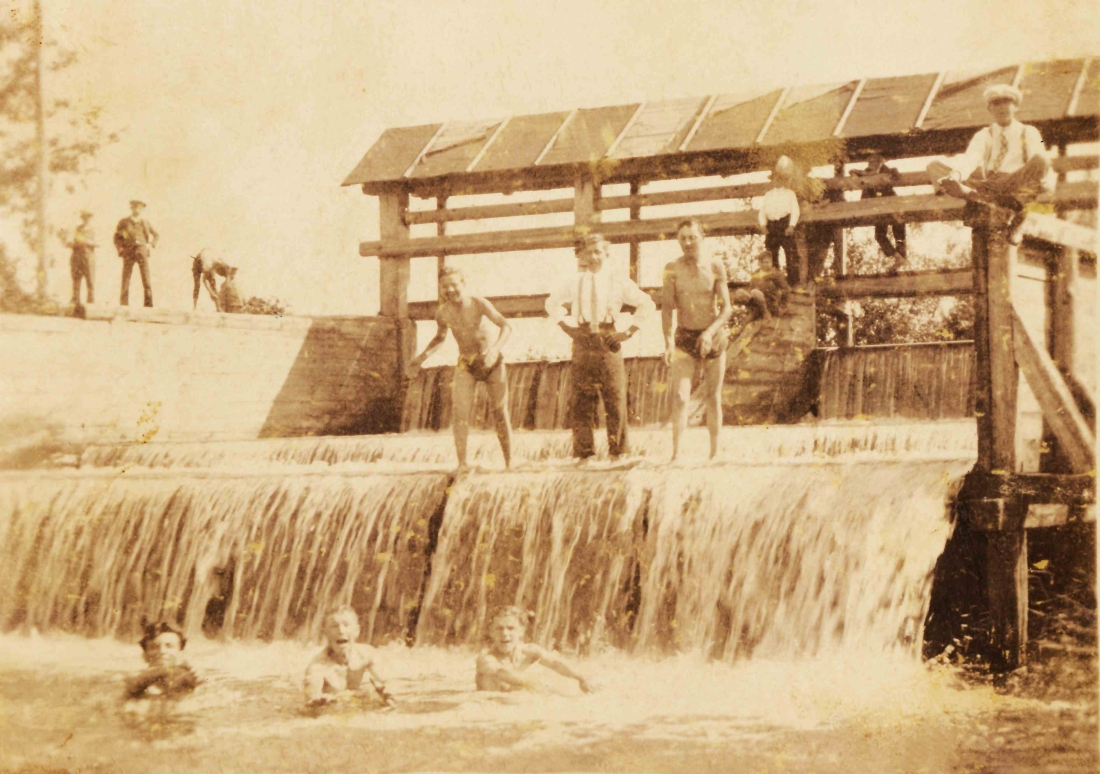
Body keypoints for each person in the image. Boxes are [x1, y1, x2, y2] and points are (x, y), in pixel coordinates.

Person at [545, 232, 655, 463]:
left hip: (607, 337)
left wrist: (627, 332)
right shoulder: (574, 281)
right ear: (583, 255)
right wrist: (567, 327)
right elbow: (551, 303)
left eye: (598, 252)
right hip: (582, 338)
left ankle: (618, 453)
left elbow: (646, 303)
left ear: (606, 254)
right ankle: (584, 455)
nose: (593, 257)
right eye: (589, 252)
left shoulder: (617, 280)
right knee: (582, 399)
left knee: (614, 397)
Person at [407, 266, 513, 469]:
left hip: (491, 362)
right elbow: (440, 338)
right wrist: (421, 358)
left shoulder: (478, 303)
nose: (450, 290)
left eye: (454, 285)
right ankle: (462, 464)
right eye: (445, 286)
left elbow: (506, 325)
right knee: (460, 413)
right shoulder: (442, 312)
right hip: (467, 364)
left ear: (463, 284)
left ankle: (510, 462)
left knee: (500, 412)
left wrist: (495, 350)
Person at [926, 83, 1054, 245]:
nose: (1001, 108)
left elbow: (1040, 159)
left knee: (1041, 161)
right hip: (989, 185)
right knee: (934, 165)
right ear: (990, 109)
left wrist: (1046, 183)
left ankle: (1017, 217)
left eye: (1006, 103)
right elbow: (971, 158)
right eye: (996, 104)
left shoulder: (1029, 131)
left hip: (1016, 183)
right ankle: (969, 193)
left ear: (1015, 107)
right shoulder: (984, 135)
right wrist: (956, 175)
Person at [662, 218, 733, 462]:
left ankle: (714, 454)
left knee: (713, 396)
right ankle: (676, 454)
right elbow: (667, 308)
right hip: (685, 337)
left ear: (702, 237)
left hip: (712, 335)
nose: (687, 242)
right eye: (682, 238)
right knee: (681, 397)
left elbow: (727, 310)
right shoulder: (672, 268)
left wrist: (709, 332)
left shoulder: (715, 266)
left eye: (692, 237)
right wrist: (667, 342)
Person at [475, 606, 593, 694]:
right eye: (499, 628)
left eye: (511, 628)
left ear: (521, 631)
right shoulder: (486, 658)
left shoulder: (528, 652)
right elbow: (500, 672)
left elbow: (555, 663)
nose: (505, 633)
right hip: (491, 708)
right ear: (491, 632)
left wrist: (580, 678)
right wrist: (536, 687)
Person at [304, 607, 395, 710]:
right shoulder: (318, 666)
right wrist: (318, 703)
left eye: (346, 625)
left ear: (357, 631)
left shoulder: (367, 654)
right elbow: (311, 701)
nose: (341, 631)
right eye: (334, 626)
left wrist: (389, 696)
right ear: (325, 633)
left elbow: (389, 682)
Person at [851, 154, 907, 271]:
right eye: (870, 162)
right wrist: (858, 174)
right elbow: (852, 172)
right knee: (879, 235)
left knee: (899, 232)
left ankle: (902, 256)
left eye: (875, 162)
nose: (872, 165)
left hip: (892, 205)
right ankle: (898, 257)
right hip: (878, 208)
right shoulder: (866, 172)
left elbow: (895, 175)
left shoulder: (889, 170)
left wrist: (879, 176)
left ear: (881, 163)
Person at [124, 620, 202, 701]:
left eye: (169, 646)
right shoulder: (135, 681)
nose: (162, 651)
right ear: (144, 655)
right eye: (154, 647)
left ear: (180, 653)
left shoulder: (189, 676)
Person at [757, 156, 801, 286]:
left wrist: (791, 225)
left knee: (791, 254)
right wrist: (763, 225)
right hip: (772, 226)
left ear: (784, 180)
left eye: (780, 179)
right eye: (775, 179)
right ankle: (775, 282)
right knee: (771, 254)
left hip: (784, 224)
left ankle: (793, 282)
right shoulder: (768, 195)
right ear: (773, 180)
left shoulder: (789, 193)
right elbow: (762, 211)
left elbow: (795, 211)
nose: (777, 181)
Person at [114, 199, 158, 307]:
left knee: (146, 278)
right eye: (135, 207)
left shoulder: (145, 223)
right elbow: (117, 237)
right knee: (126, 278)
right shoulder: (124, 222)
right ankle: (124, 305)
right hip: (128, 251)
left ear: (142, 209)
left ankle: (148, 305)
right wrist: (120, 248)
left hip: (142, 251)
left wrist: (150, 244)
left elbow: (156, 235)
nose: (137, 210)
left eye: (139, 208)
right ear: (131, 208)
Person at [732, 250, 789, 321]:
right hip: (756, 301)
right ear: (759, 263)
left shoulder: (776, 274)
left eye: (767, 262)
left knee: (755, 292)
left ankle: (766, 313)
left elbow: (786, 290)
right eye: (762, 262)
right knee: (740, 292)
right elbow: (751, 288)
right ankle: (754, 311)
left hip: (771, 302)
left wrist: (783, 307)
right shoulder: (756, 273)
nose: (765, 264)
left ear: (771, 262)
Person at [68, 210, 96, 311]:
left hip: (88, 256)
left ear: (90, 218)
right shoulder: (78, 228)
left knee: (90, 281)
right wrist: (71, 243)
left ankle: (90, 306)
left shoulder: (93, 229)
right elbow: (73, 240)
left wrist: (86, 241)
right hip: (77, 256)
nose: (86, 219)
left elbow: (98, 243)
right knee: (76, 280)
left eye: (88, 217)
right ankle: (76, 305)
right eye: (84, 217)